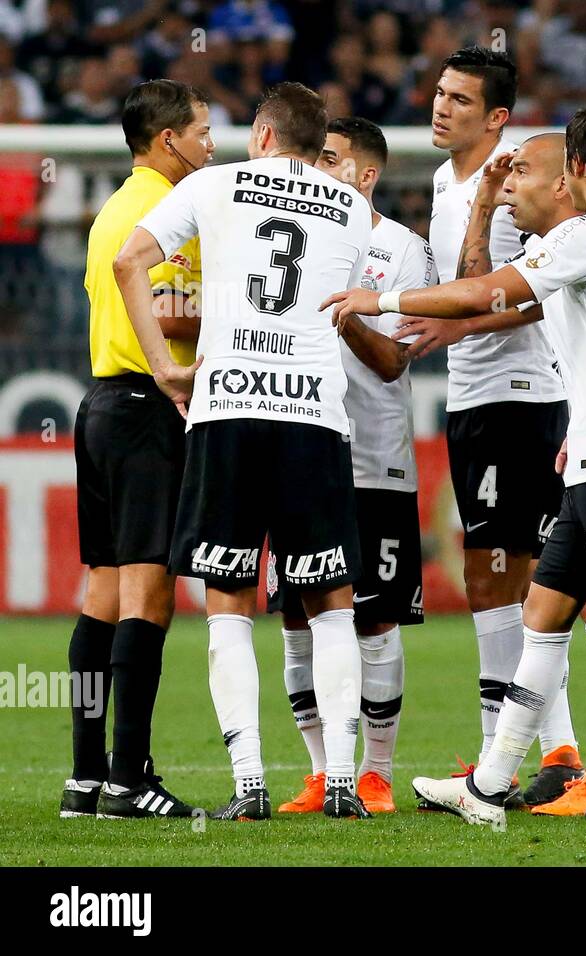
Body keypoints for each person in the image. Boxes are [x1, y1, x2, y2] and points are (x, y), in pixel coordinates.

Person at [324, 103, 586, 831]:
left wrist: (380, 297)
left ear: (578, 168)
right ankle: (487, 787)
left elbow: (489, 292)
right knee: (544, 617)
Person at [114, 82, 374, 820]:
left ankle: (251, 783)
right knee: (330, 603)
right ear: (312, 141)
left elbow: (129, 262)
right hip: (313, 416)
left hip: (228, 409)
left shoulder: (213, 183)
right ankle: (344, 783)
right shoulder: (351, 207)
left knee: (228, 601)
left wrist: (165, 365)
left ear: (262, 135)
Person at [429, 46, 581, 800]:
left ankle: (543, 753)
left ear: (496, 116)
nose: (441, 105)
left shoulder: (522, 179)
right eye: (439, 92)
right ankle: (518, 752)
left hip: (521, 393)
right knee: (489, 573)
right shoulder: (440, 181)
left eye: (460, 98)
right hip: (472, 399)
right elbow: (459, 283)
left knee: (515, 574)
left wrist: (451, 322)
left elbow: (536, 292)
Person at [273, 117, 433, 816]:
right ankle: (318, 772)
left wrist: (349, 316)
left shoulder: (402, 250)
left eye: (331, 159)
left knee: (373, 619)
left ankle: (376, 772)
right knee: (298, 618)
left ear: (364, 175)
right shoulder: (292, 236)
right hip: (299, 452)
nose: (316, 166)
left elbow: (397, 360)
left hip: (374, 460)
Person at [63, 79, 212, 820]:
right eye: (203, 133)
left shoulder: (114, 209)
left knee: (103, 592)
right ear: (167, 141)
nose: (211, 146)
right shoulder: (166, 214)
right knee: (149, 592)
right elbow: (169, 308)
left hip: (100, 406)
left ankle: (86, 777)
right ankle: (130, 778)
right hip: (149, 408)